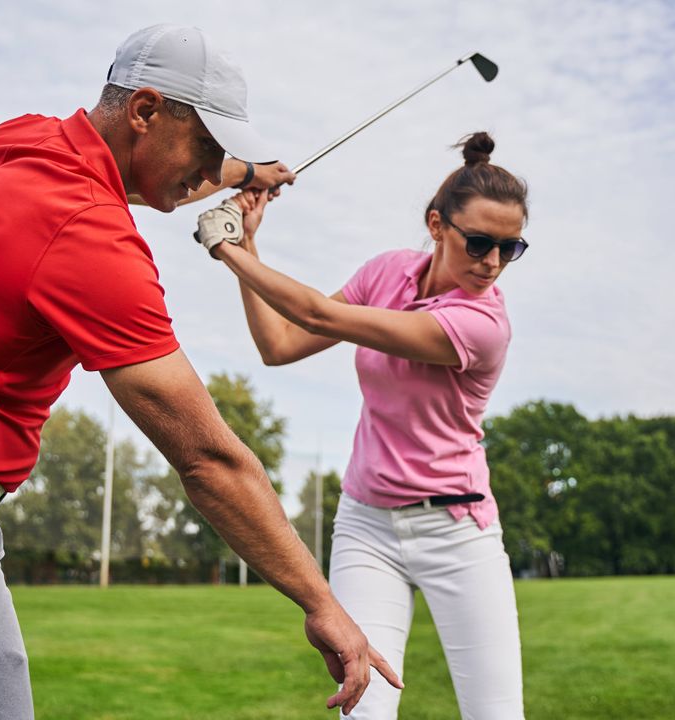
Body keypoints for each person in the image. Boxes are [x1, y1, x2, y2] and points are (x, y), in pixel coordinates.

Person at [0, 23, 398, 719]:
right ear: (145, 111)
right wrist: (321, 603)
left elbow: (158, 170)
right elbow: (208, 460)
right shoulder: (92, 237)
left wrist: (251, 174)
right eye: (208, 147)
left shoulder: (20, 140)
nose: (206, 175)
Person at [198, 132, 529, 719]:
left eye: (511, 248)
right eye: (479, 243)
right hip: (366, 526)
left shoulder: (482, 325)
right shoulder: (388, 272)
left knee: (495, 715)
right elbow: (279, 343)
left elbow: (319, 314)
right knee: (364, 712)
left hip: (456, 530)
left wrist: (227, 251)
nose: (493, 263)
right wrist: (247, 247)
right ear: (436, 225)